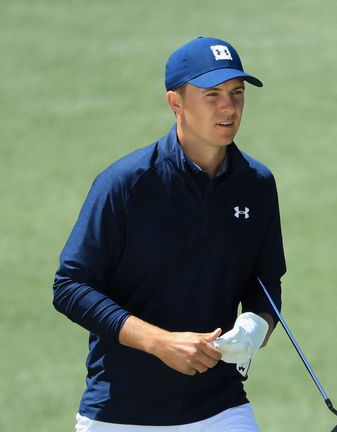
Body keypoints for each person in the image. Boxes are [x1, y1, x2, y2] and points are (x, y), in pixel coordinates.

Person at [53, 36, 286, 431]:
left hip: (220, 406)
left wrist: (255, 328)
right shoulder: (125, 184)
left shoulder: (257, 185)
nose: (229, 107)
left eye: (236, 93)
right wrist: (159, 342)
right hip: (120, 413)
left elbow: (264, 286)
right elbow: (70, 286)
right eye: (212, 94)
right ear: (176, 103)